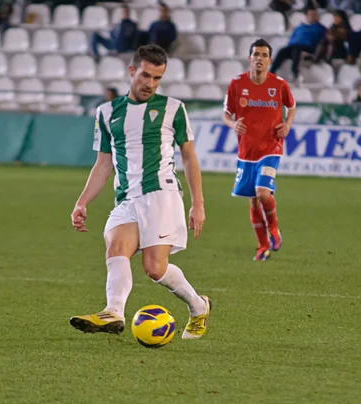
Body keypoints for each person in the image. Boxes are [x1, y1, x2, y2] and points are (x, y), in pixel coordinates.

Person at [69, 45, 211, 339]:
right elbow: (103, 164)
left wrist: (198, 203)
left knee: (154, 269)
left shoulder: (173, 109)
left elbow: (189, 157)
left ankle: (199, 307)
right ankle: (113, 312)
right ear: (132, 71)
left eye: (157, 78)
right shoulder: (107, 112)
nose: (150, 84)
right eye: (146, 75)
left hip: (161, 193)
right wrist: (82, 202)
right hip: (127, 198)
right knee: (116, 247)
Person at [222, 39, 297, 261]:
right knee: (253, 199)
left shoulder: (279, 84)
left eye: (264, 55)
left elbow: (291, 107)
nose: (260, 58)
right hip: (246, 151)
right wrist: (233, 124)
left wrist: (288, 125)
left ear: (270, 60)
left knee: (262, 193)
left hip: (271, 147)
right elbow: (226, 114)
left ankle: (274, 229)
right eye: (256, 54)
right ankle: (263, 245)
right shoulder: (236, 84)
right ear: (249, 58)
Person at [269, 5, 326, 83]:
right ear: (307, 16)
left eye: (314, 15)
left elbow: (320, 42)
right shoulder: (300, 27)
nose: (312, 17)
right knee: (282, 50)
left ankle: (295, 72)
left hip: (308, 48)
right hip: (294, 47)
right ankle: (271, 72)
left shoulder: (320, 28)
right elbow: (292, 39)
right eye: (310, 15)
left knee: (297, 49)